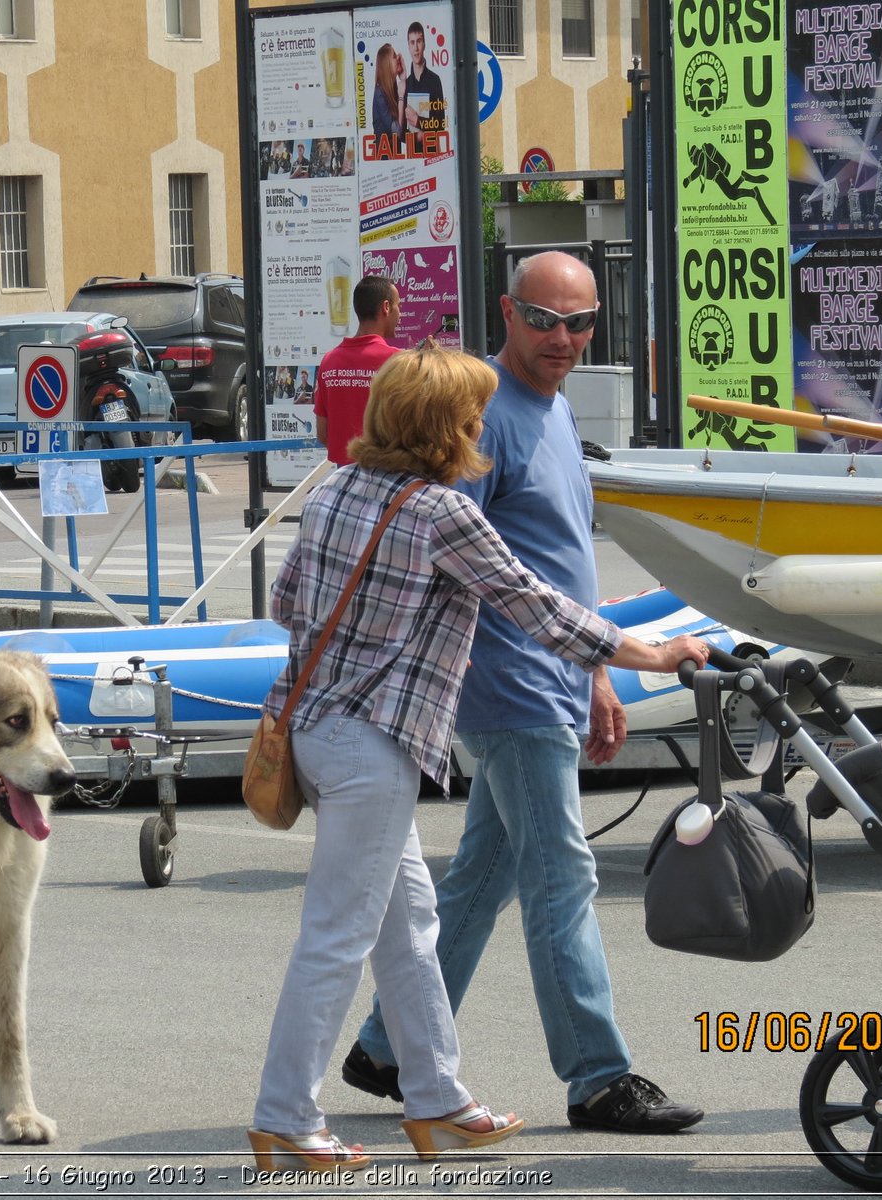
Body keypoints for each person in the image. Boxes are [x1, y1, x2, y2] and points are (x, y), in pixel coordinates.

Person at [248, 344, 710, 1175]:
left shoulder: (335, 490)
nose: (479, 429)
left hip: (312, 727)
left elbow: (286, 604)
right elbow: (538, 610)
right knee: (337, 936)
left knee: (411, 924)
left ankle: (438, 1101)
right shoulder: (441, 513)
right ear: (443, 428)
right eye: (469, 418)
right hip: (373, 744)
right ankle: (285, 1116)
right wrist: (657, 653)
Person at [342, 251, 707, 1134]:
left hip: (552, 674)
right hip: (509, 683)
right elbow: (466, 562)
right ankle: (597, 1076)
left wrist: (597, 676)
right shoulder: (489, 418)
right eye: (546, 320)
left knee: (485, 876)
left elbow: (558, 564)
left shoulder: (551, 405)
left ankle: (387, 1047)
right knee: (562, 878)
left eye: (581, 323)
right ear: (508, 313)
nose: (565, 339)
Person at [313, 276, 401, 465]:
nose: (399, 314)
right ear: (386, 307)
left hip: (345, 478)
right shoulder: (397, 362)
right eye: (398, 306)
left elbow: (322, 433)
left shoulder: (329, 361)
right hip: (386, 477)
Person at [402, 21, 446, 133]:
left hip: (432, 150)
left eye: (419, 41)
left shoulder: (435, 80)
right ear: (408, 47)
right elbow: (401, 132)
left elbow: (441, 124)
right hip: (411, 150)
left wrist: (417, 121)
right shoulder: (405, 84)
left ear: (424, 44)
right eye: (412, 42)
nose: (416, 48)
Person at [369, 43, 404, 138]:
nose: (398, 57)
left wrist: (404, 79)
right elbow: (397, 131)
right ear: (386, 64)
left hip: (393, 151)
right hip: (383, 151)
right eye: (394, 56)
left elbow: (404, 125)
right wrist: (401, 97)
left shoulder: (393, 88)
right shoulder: (380, 93)